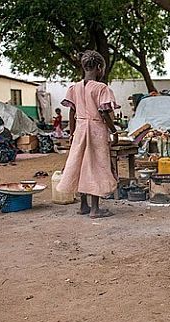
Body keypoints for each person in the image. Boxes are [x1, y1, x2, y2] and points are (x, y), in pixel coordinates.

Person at [57, 50, 119, 219]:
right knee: (96, 166)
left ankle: (84, 205)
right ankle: (95, 209)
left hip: (80, 129)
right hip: (96, 130)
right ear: (99, 67)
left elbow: (71, 112)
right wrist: (114, 131)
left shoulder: (74, 88)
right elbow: (105, 113)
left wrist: (71, 132)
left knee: (81, 164)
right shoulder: (101, 88)